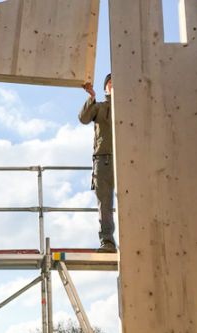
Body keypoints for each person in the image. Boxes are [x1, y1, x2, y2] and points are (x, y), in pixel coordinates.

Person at [78, 73, 116, 252]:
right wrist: (91, 97)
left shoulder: (130, 107)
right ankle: (107, 242)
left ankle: (134, 239)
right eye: (110, 82)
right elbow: (84, 118)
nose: (113, 84)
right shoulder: (100, 107)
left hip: (127, 159)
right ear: (105, 88)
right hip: (104, 160)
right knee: (105, 204)